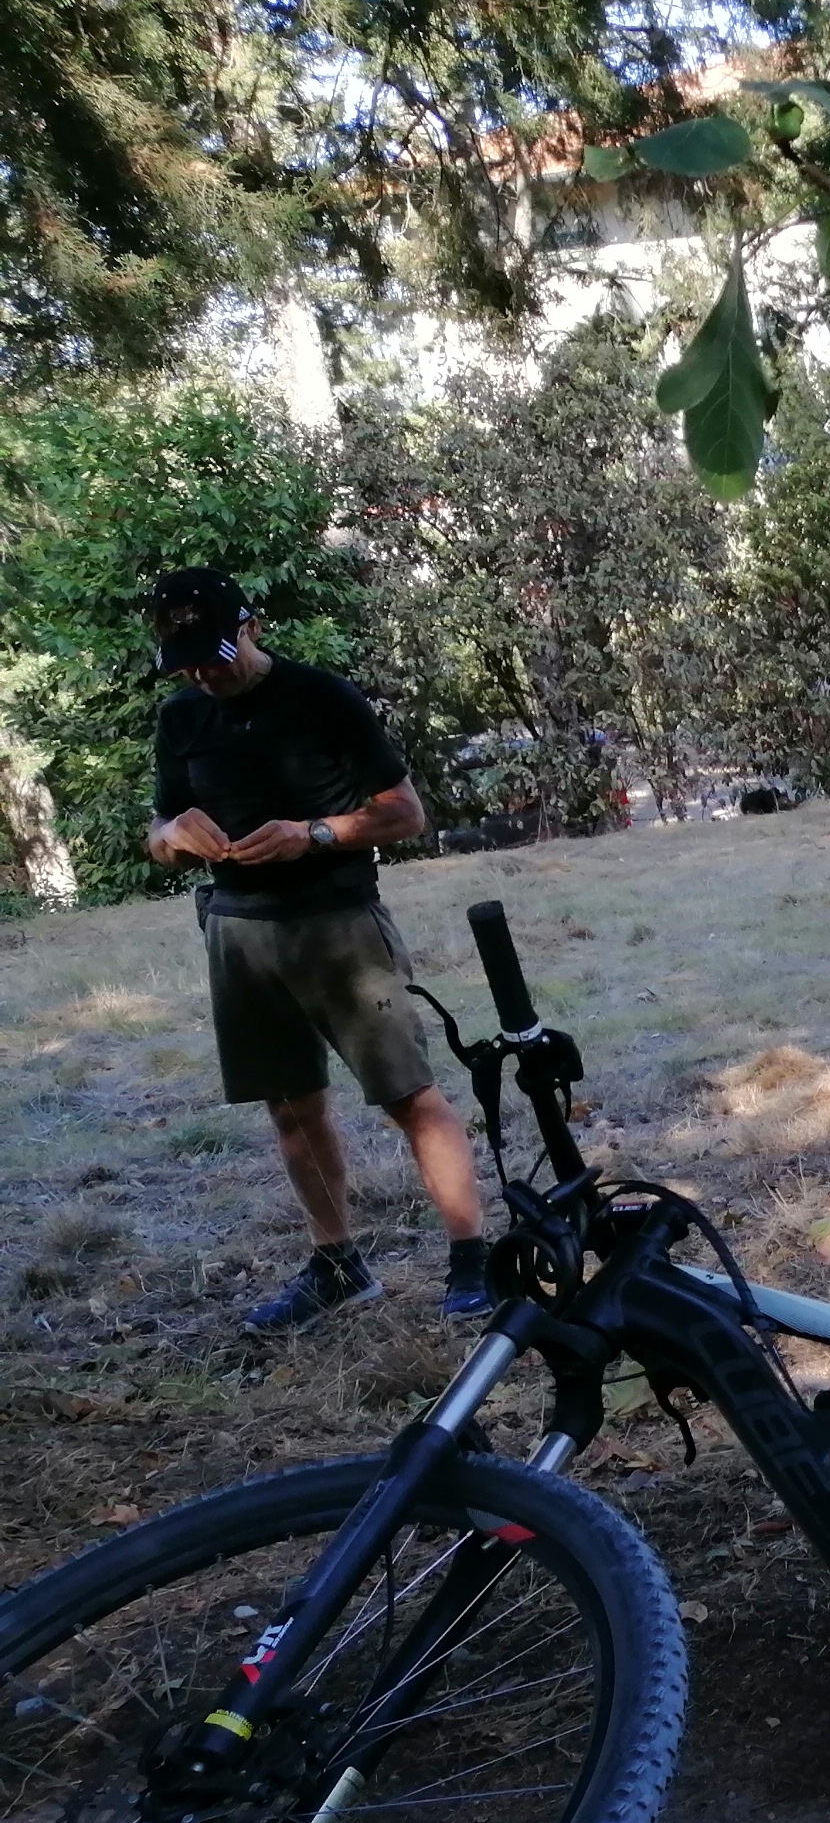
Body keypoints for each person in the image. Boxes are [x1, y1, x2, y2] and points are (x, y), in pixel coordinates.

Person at [142, 568, 492, 1331]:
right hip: (238, 930)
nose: (204, 674)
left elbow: (406, 814)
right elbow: (159, 831)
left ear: (252, 627)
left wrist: (316, 833)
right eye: (187, 663)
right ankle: (338, 1265)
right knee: (290, 1105)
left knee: (407, 1094)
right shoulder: (182, 716)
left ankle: (472, 1258)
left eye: (216, 655)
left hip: (339, 924)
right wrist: (172, 836)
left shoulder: (321, 697)